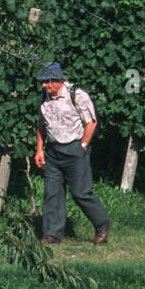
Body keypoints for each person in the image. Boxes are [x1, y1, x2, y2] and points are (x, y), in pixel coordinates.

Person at [34, 62, 111, 245]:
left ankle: (102, 223)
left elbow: (91, 122)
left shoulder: (77, 95)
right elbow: (40, 125)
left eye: (47, 82)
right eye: (43, 82)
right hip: (53, 152)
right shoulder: (43, 98)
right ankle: (52, 234)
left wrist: (83, 145)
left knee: (80, 192)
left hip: (74, 149)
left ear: (58, 80)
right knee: (52, 193)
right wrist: (39, 149)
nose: (44, 85)